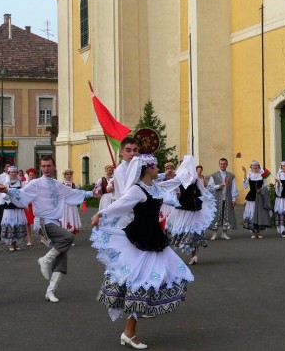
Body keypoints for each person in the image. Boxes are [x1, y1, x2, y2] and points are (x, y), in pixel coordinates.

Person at [90, 155, 194, 349]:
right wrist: (100, 214)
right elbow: (120, 204)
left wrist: (181, 184)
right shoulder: (137, 190)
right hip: (140, 238)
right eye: (156, 167)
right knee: (141, 282)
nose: (158, 170)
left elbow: (173, 199)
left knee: (153, 280)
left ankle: (129, 331)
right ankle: (129, 332)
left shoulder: (154, 187)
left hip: (153, 238)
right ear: (148, 169)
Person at [0, 156, 98, 303]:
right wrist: (8, 190)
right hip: (43, 222)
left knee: (62, 256)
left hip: (55, 223)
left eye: (48, 166)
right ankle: (45, 260)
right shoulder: (35, 183)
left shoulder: (59, 185)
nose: (45, 169)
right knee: (68, 238)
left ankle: (50, 291)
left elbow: (75, 194)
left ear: (54, 166)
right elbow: (21, 193)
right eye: (43, 166)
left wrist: (94, 193)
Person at [161, 155, 216, 265]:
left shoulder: (181, 177)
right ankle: (193, 253)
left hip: (184, 207)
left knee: (184, 228)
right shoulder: (194, 178)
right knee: (191, 228)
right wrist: (208, 198)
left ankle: (190, 252)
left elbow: (168, 185)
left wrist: (154, 185)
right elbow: (203, 191)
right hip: (193, 206)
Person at [207, 158, 238, 240]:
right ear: (219, 164)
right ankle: (214, 233)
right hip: (217, 199)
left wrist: (234, 199)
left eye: (224, 164)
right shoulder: (214, 175)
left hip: (227, 199)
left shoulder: (231, 176)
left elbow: (234, 188)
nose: (223, 165)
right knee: (216, 215)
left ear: (227, 165)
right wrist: (218, 186)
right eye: (221, 163)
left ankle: (224, 233)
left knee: (226, 216)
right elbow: (209, 188)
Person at [241, 160, 272, 239]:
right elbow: (245, 186)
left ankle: (258, 232)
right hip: (251, 197)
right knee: (252, 213)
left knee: (259, 213)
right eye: (253, 166)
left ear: (259, 167)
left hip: (260, 197)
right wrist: (244, 173)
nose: (255, 167)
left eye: (256, 166)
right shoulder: (249, 175)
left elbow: (266, 187)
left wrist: (261, 190)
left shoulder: (262, 176)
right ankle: (253, 232)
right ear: (251, 167)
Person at [0, 166, 27, 251]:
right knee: (11, 223)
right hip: (9, 206)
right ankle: (11, 243)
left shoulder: (20, 182)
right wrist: (9, 198)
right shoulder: (6, 183)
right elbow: (3, 194)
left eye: (15, 172)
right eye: (12, 172)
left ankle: (16, 243)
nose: (13, 174)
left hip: (18, 206)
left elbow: (22, 192)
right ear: (9, 173)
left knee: (17, 222)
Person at [113, 137, 140, 202]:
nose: (132, 154)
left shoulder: (138, 166)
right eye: (128, 151)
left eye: (135, 150)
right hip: (127, 207)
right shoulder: (120, 170)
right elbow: (124, 192)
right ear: (121, 152)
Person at [60, 169, 82, 235]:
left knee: (71, 218)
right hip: (64, 205)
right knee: (64, 219)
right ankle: (64, 235)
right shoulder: (61, 184)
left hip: (72, 205)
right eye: (67, 174)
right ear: (65, 175)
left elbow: (77, 194)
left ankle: (70, 236)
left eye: (70, 174)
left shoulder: (75, 185)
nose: (69, 176)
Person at [0, 161, 12, 241]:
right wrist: (3, 187)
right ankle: (0, 233)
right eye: (7, 166)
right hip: (2, 199)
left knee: (11, 216)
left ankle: (10, 233)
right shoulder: (0, 177)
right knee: (2, 217)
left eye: (10, 166)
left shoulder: (13, 176)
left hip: (11, 199)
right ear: (4, 168)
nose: (8, 168)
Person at [23, 168, 37, 246]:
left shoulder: (37, 183)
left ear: (35, 175)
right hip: (28, 205)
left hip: (36, 204)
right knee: (27, 223)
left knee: (38, 221)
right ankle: (29, 239)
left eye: (33, 175)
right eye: (30, 175)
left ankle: (42, 237)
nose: (31, 176)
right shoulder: (26, 184)